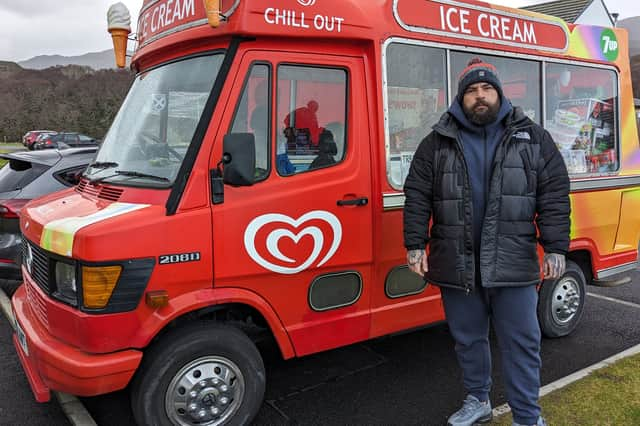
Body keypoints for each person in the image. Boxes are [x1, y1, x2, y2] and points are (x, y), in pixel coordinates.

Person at [403, 58, 570, 426]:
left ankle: (527, 417)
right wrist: (414, 243)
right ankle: (478, 400)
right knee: (468, 340)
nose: (480, 96)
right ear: (461, 98)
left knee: (522, 344)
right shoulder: (437, 142)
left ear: (499, 93)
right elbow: (416, 194)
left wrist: (556, 247)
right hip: (457, 263)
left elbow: (554, 193)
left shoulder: (532, 138)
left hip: (513, 262)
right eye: (472, 91)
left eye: (487, 89)